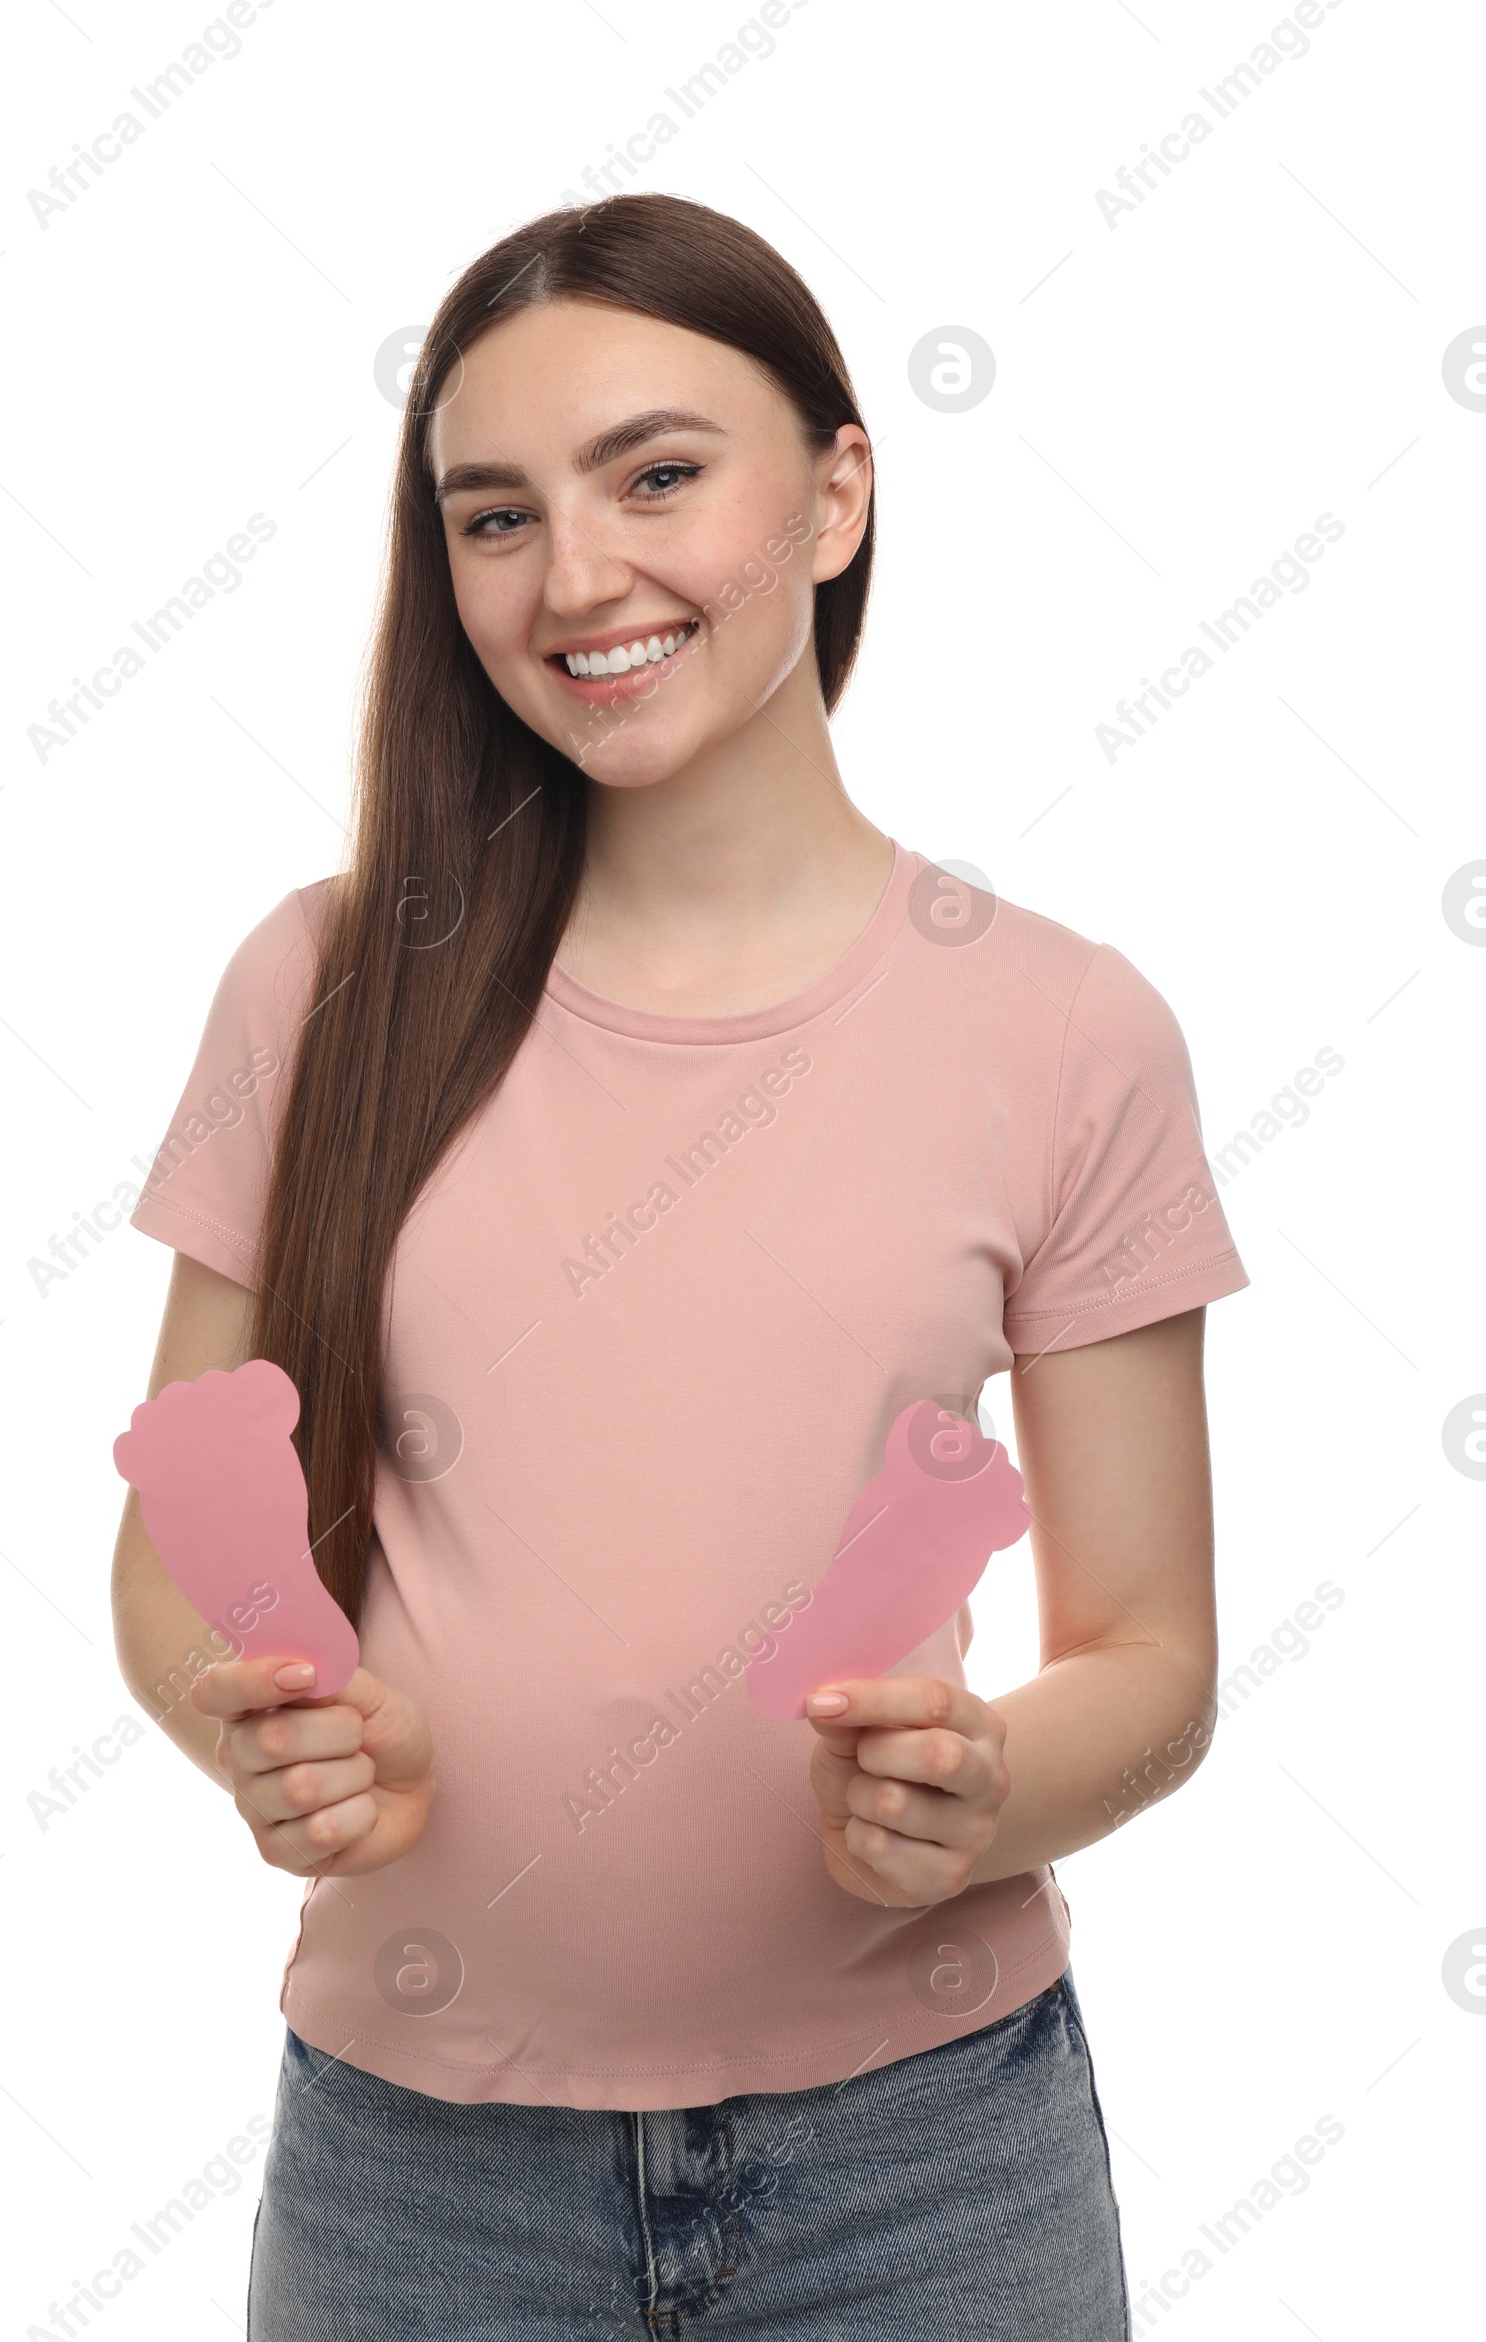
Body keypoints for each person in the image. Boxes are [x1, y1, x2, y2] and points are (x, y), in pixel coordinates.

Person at [111, 192, 1249, 2340]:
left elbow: (1154, 1657)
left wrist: (992, 1781)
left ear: (834, 492)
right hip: (415, 2183)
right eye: (493, 515)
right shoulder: (327, 984)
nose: (576, 577)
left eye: (655, 475)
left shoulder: (1062, 1033)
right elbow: (175, 1541)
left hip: (929, 2170)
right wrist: (238, 1719)